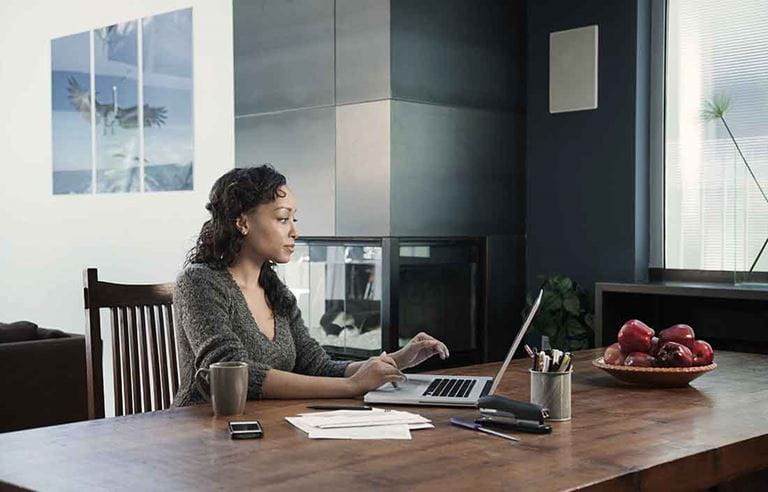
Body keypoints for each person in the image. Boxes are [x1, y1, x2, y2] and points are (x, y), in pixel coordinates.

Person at [172, 165, 450, 406]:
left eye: (295, 219)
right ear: (243, 222)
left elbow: (317, 366)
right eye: (283, 218)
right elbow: (235, 372)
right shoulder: (199, 282)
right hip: (205, 431)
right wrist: (352, 387)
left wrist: (395, 362)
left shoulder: (274, 290)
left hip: (272, 428)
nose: (295, 231)